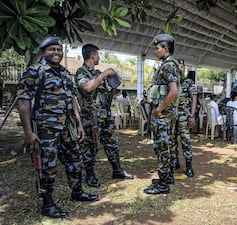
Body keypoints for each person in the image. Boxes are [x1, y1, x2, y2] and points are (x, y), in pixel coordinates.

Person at [17, 37, 99, 219]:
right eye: (52, 49)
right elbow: (23, 102)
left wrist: (78, 123)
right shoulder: (35, 71)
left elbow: (72, 99)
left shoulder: (64, 72)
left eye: (59, 49)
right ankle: (48, 204)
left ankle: (77, 191)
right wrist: (28, 132)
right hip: (46, 128)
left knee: (75, 159)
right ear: (43, 52)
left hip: (67, 126)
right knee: (47, 165)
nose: (56, 53)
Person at [75, 44, 133, 188]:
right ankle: (89, 175)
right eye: (98, 55)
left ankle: (117, 170)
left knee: (112, 144)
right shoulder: (81, 72)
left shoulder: (97, 74)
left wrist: (113, 88)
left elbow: (105, 97)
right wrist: (103, 75)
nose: (99, 58)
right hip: (90, 119)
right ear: (92, 56)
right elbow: (88, 88)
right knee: (90, 147)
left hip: (105, 117)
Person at [144, 34, 179, 194]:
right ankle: (168, 177)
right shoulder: (170, 64)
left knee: (162, 148)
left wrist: (159, 109)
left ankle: (163, 184)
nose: (156, 51)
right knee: (168, 147)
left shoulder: (167, 66)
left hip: (163, 116)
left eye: (157, 48)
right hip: (167, 115)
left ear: (165, 49)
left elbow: (173, 92)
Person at [171, 58, 197, 178]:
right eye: (178, 66)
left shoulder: (188, 82)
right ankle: (175, 161)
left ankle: (189, 166)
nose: (181, 69)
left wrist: (192, 115)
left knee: (185, 141)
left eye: (182, 66)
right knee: (172, 141)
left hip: (183, 117)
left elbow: (194, 98)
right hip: (171, 117)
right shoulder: (171, 82)